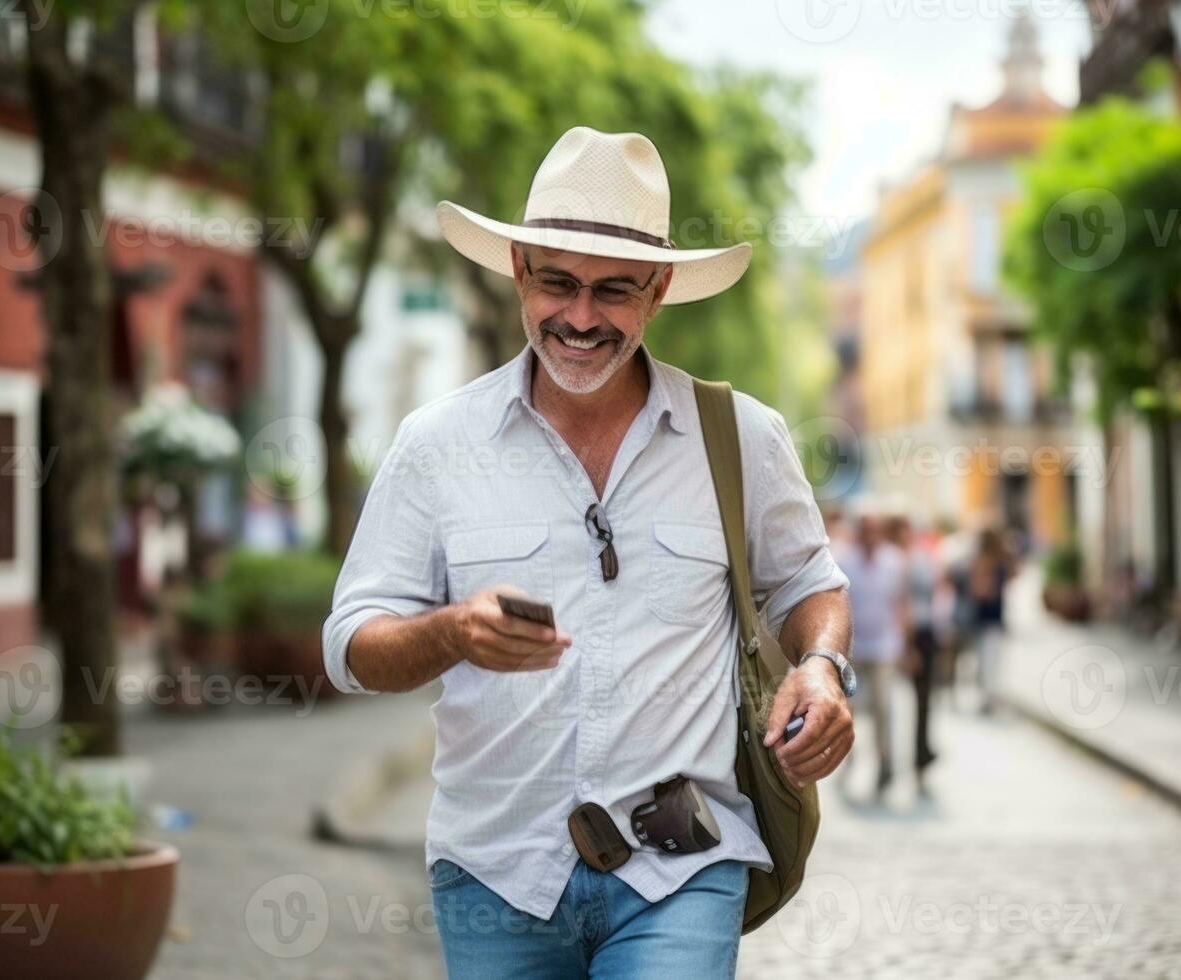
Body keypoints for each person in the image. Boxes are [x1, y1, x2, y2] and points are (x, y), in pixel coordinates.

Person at [321, 127, 854, 979]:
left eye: (613, 291)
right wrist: (454, 633)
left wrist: (821, 666)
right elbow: (350, 647)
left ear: (659, 290)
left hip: (682, 865)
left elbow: (808, 585)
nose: (578, 317)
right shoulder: (435, 444)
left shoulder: (742, 437)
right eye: (558, 283)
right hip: (493, 871)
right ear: (520, 272)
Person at [836, 512, 906, 799]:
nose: (870, 536)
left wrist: (904, 644)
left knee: (883, 709)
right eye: (865, 530)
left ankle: (884, 763)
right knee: (847, 710)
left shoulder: (893, 561)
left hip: (883, 648)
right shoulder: (844, 560)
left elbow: (901, 602)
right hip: (852, 650)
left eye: (874, 530)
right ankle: (847, 759)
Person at [888, 516, 940, 795]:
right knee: (886, 706)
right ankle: (887, 762)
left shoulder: (920, 559)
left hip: (921, 634)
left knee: (923, 702)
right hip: (893, 638)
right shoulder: (889, 561)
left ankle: (920, 758)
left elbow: (933, 596)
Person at [968, 527, 1015, 714]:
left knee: (991, 659)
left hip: (993, 616)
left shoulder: (998, 561)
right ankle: (987, 697)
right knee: (987, 659)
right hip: (986, 616)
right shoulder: (983, 563)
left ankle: (989, 696)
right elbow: (978, 590)